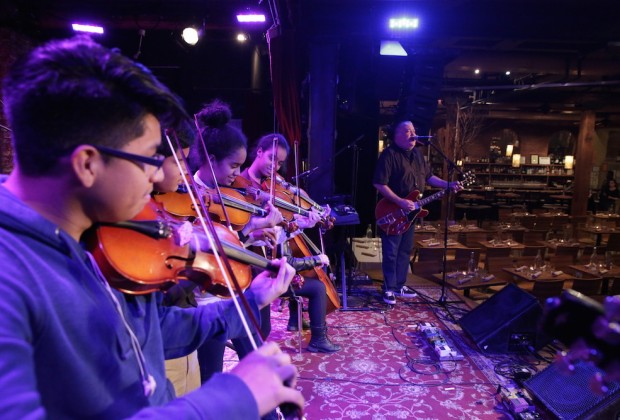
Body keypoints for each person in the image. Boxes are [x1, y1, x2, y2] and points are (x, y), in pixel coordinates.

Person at [0, 36, 303, 418]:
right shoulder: (9, 274)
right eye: (148, 158)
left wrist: (248, 302)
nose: (159, 174)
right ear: (88, 164)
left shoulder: (93, 237)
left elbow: (149, 334)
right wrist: (234, 395)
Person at [238, 133, 341, 353]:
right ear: (258, 152)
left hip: (273, 262)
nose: (274, 166)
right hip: (252, 268)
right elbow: (245, 232)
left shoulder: (275, 187)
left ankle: (313, 334)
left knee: (314, 285)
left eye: (280, 162)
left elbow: (284, 230)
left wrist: (302, 222)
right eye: (271, 158)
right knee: (261, 329)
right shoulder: (240, 186)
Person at [372, 120, 460, 305]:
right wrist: (400, 201)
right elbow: (379, 183)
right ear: (396, 136)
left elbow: (429, 177)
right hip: (393, 210)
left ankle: (399, 286)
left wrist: (448, 185)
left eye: (413, 130)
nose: (412, 134)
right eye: (407, 131)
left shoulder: (419, 155)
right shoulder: (389, 155)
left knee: (405, 250)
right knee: (391, 252)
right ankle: (388, 288)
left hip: (412, 212)